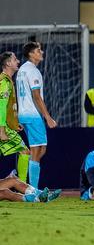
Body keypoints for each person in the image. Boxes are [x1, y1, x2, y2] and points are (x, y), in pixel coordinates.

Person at [16, 42, 57, 189]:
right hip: (33, 115)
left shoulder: (21, 70)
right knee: (38, 150)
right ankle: (32, 189)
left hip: (23, 114)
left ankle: (25, 183)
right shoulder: (33, 71)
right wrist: (48, 117)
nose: (41, 52)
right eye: (38, 50)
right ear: (31, 54)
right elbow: (36, 96)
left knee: (38, 149)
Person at [0, 51, 31, 183]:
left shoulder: (6, 80)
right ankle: (23, 187)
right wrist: (2, 130)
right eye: (15, 59)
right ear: (8, 63)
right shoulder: (5, 82)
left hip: (7, 125)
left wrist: (14, 122)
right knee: (25, 152)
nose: (18, 61)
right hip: (3, 127)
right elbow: (1, 106)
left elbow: (7, 108)